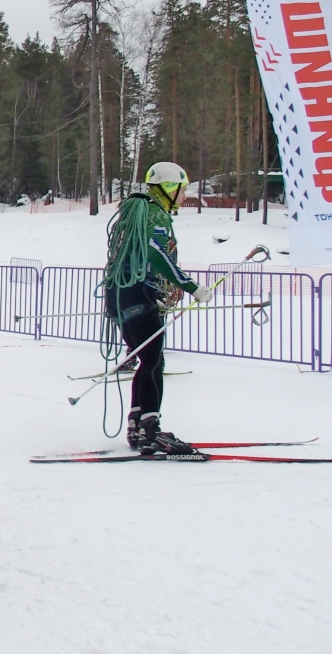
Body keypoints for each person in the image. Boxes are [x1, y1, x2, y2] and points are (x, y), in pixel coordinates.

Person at [103, 162, 213, 454]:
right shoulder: (156, 215)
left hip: (121, 294)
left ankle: (137, 424)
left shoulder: (137, 214)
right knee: (153, 361)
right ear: (168, 188)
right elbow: (156, 253)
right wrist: (192, 287)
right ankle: (150, 429)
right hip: (137, 293)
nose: (184, 194)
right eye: (182, 188)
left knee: (146, 359)